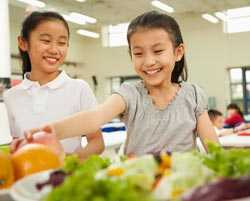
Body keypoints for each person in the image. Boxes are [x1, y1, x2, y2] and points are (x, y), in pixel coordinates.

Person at [17, 11, 219, 156]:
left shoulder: (193, 94)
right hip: (139, 187)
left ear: (178, 52)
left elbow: (213, 146)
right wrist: (51, 130)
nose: (148, 61)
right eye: (138, 53)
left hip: (184, 188)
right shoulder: (129, 93)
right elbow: (95, 117)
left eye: (158, 51)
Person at [4, 11, 104, 159]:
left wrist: (69, 162)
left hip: (67, 178)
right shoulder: (10, 97)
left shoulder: (79, 89)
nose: (54, 50)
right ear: (23, 43)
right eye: (45, 41)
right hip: (26, 178)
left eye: (62, 43)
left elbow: (97, 142)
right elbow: (12, 146)